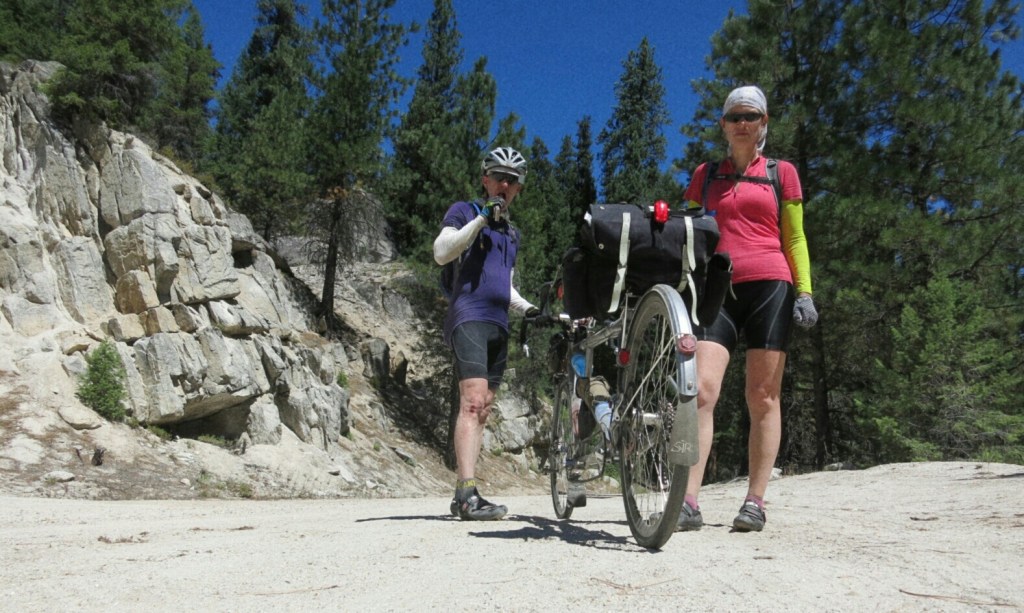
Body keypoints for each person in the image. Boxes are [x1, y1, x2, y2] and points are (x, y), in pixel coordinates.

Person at [678, 85, 818, 533]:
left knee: (762, 396)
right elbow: (689, 234)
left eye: (751, 116)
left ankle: (755, 501)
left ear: (764, 124)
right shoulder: (705, 175)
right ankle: (687, 501)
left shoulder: (783, 173)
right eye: (735, 116)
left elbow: (794, 237)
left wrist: (805, 292)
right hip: (717, 288)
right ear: (723, 124)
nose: (743, 123)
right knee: (701, 391)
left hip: (771, 286)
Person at [434, 146, 539, 521]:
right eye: (498, 176)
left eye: (513, 180)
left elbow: (506, 287)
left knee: (484, 409)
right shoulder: (464, 210)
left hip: (499, 322)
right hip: (470, 314)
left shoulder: (512, 233)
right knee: (473, 402)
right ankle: (466, 493)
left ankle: (466, 491)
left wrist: (531, 309)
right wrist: (480, 219)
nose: (505, 184)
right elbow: (442, 252)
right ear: (485, 179)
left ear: (519, 188)